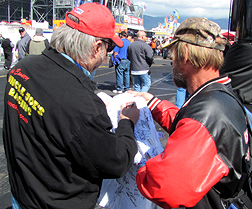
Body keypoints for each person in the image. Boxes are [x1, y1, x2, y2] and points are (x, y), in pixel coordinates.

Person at [3, 3, 140, 209]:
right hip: (55, 201)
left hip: (22, 191)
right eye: (108, 47)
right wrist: (127, 123)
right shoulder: (81, 105)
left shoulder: (23, 67)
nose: (105, 56)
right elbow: (116, 161)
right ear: (96, 47)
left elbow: (52, 114)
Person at [130, 17, 252, 209]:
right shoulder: (221, 93)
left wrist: (138, 162)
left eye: (174, 54)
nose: (172, 62)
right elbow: (192, 128)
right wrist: (153, 104)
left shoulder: (207, 112)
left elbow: (165, 186)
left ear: (185, 53)